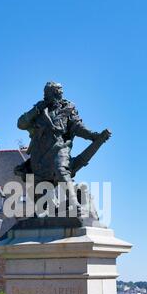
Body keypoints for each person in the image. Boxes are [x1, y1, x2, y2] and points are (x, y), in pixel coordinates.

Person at [15, 81, 111, 214]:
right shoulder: (39, 110)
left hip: (59, 147)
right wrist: (35, 110)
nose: (55, 96)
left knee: (61, 170)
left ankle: (74, 203)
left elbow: (78, 127)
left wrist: (93, 136)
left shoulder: (68, 109)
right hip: (39, 152)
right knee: (39, 187)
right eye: (50, 94)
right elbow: (21, 124)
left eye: (58, 93)